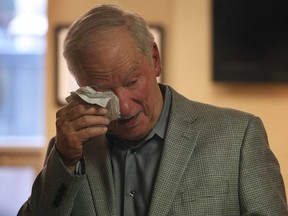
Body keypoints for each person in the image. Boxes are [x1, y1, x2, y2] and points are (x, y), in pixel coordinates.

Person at [18, 4, 288, 216]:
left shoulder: (238, 136)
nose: (123, 106)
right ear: (80, 86)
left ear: (155, 60)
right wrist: (64, 159)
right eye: (102, 91)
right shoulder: (69, 152)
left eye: (132, 81)